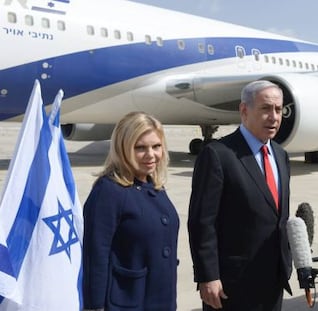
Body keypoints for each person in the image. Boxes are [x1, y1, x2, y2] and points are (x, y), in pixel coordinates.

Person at [188, 80, 292, 311]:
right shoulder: (218, 155)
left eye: (278, 109)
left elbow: (277, 217)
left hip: (274, 279)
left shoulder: (280, 155)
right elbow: (202, 223)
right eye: (265, 108)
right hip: (231, 285)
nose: (274, 117)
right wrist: (208, 276)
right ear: (244, 110)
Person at [82, 111, 179, 311]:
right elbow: (96, 254)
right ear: (123, 149)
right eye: (140, 148)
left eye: (156, 146)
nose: (151, 155)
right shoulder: (108, 191)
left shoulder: (154, 186)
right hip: (127, 302)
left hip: (160, 300)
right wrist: (95, 306)